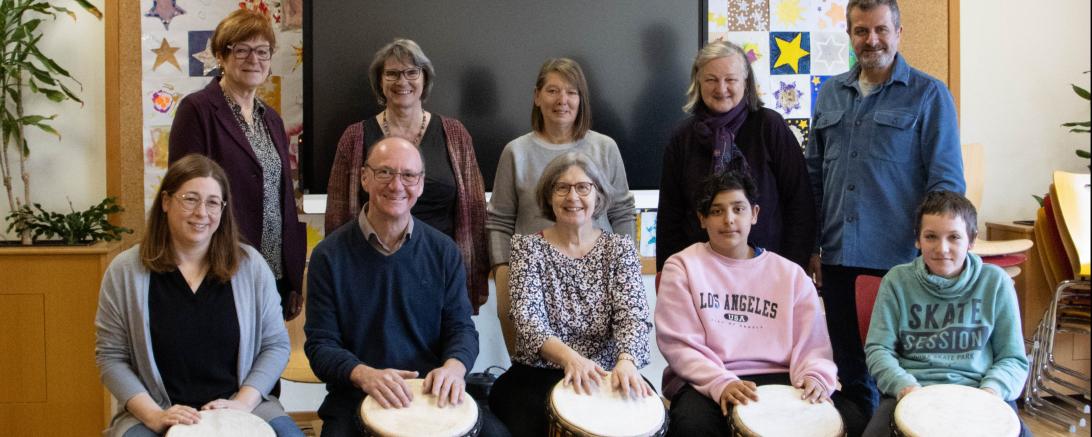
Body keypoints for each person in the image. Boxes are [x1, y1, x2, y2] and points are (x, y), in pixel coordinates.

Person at [805, 0, 965, 414]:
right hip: (839, 258)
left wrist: (933, 255)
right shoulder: (829, 94)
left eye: (880, 29)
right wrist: (813, 248)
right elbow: (814, 179)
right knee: (850, 373)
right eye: (861, 31)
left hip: (898, 264)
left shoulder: (930, 95)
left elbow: (946, 185)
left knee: (895, 373)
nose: (871, 39)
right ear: (850, 35)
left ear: (898, 33)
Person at [305, 137, 507, 436]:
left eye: (408, 175)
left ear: (421, 184)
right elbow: (321, 346)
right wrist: (364, 375)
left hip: (430, 391)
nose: (397, 185)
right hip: (357, 393)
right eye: (385, 172)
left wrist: (454, 367)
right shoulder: (328, 255)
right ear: (364, 178)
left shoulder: (444, 251)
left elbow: (461, 329)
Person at [95, 155, 301, 437]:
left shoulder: (251, 266)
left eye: (213, 202)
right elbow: (111, 358)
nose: (202, 212)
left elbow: (275, 345)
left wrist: (242, 403)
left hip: (242, 407)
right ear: (166, 202)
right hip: (156, 411)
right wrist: (154, 415)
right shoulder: (125, 272)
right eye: (190, 199)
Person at [656, 170, 864, 437]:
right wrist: (721, 382)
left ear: (753, 214)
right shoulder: (682, 266)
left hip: (784, 377)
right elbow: (680, 345)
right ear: (702, 219)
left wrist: (814, 376)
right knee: (693, 426)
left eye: (738, 208)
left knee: (852, 419)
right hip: (709, 379)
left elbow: (813, 343)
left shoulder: (790, 274)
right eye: (717, 211)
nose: (729, 219)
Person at [488, 152, 654, 436]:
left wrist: (626, 361)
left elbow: (634, 317)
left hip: (607, 372)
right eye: (561, 187)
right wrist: (571, 359)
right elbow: (528, 320)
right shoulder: (528, 249)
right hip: (540, 371)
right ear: (549, 197)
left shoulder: (619, 250)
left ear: (598, 195)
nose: (572, 197)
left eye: (583, 187)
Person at [324, 38, 489, 313]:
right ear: (380, 82)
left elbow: (475, 210)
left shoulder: (456, 134)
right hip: (372, 272)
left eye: (412, 72)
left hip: (441, 270)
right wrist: (339, 275)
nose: (403, 81)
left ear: (425, 79)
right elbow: (337, 215)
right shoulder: (355, 137)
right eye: (392, 73)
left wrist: (477, 274)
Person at [488, 58, 636, 352]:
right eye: (553, 91)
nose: (562, 100)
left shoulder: (605, 148)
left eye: (571, 92)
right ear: (537, 96)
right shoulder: (515, 152)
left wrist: (624, 269)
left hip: (597, 283)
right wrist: (504, 274)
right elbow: (500, 221)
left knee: (596, 371)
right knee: (537, 372)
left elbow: (622, 212)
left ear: (582, 99)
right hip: (532, 285)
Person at [169, 9, 305, 321]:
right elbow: (186, 194)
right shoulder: (198, 110)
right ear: (221, 55)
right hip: (221, 264)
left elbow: (283, 196)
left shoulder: (270, 118)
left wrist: (294, 270)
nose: (253, 59)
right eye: (241, 49)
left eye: (262, 51)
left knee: (268, 362)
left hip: (274, 268)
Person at [862, 191, 1029, 437]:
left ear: (972, 241)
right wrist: (905, 387)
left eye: (954, 237)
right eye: (931, 237)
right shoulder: (896, 281)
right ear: (917, 240)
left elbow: (1013, 358)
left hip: (980, 393)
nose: (942, 248)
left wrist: (992, 391)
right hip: (911, 393)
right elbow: (878, 349)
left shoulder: (996, 283)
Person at [657, 40, 814, 272]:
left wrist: (793, 270)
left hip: (768, 268)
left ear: (746, 82)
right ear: (698, 82)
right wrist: (667, 273)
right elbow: (671, 213)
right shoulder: (682, 137)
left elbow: (799, 201)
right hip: (699, 272)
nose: (721, 89)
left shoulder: (769, 126)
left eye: (730, 79)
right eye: (711, 79)